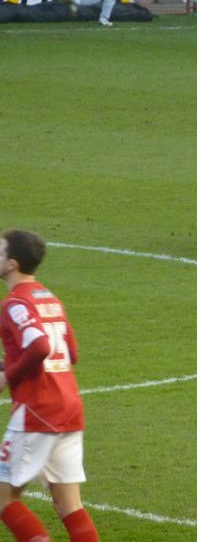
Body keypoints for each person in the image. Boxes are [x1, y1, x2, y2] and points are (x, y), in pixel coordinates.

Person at [0, 230, 100, 541]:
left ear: (13, 264)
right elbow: (69, 352)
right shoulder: (49, 298)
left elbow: (41, 347)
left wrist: (7, 376)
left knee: (4, 498)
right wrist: (11, 363)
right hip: (68, 408)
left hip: (38, 410)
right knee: (69, 505)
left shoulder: (14, 303)